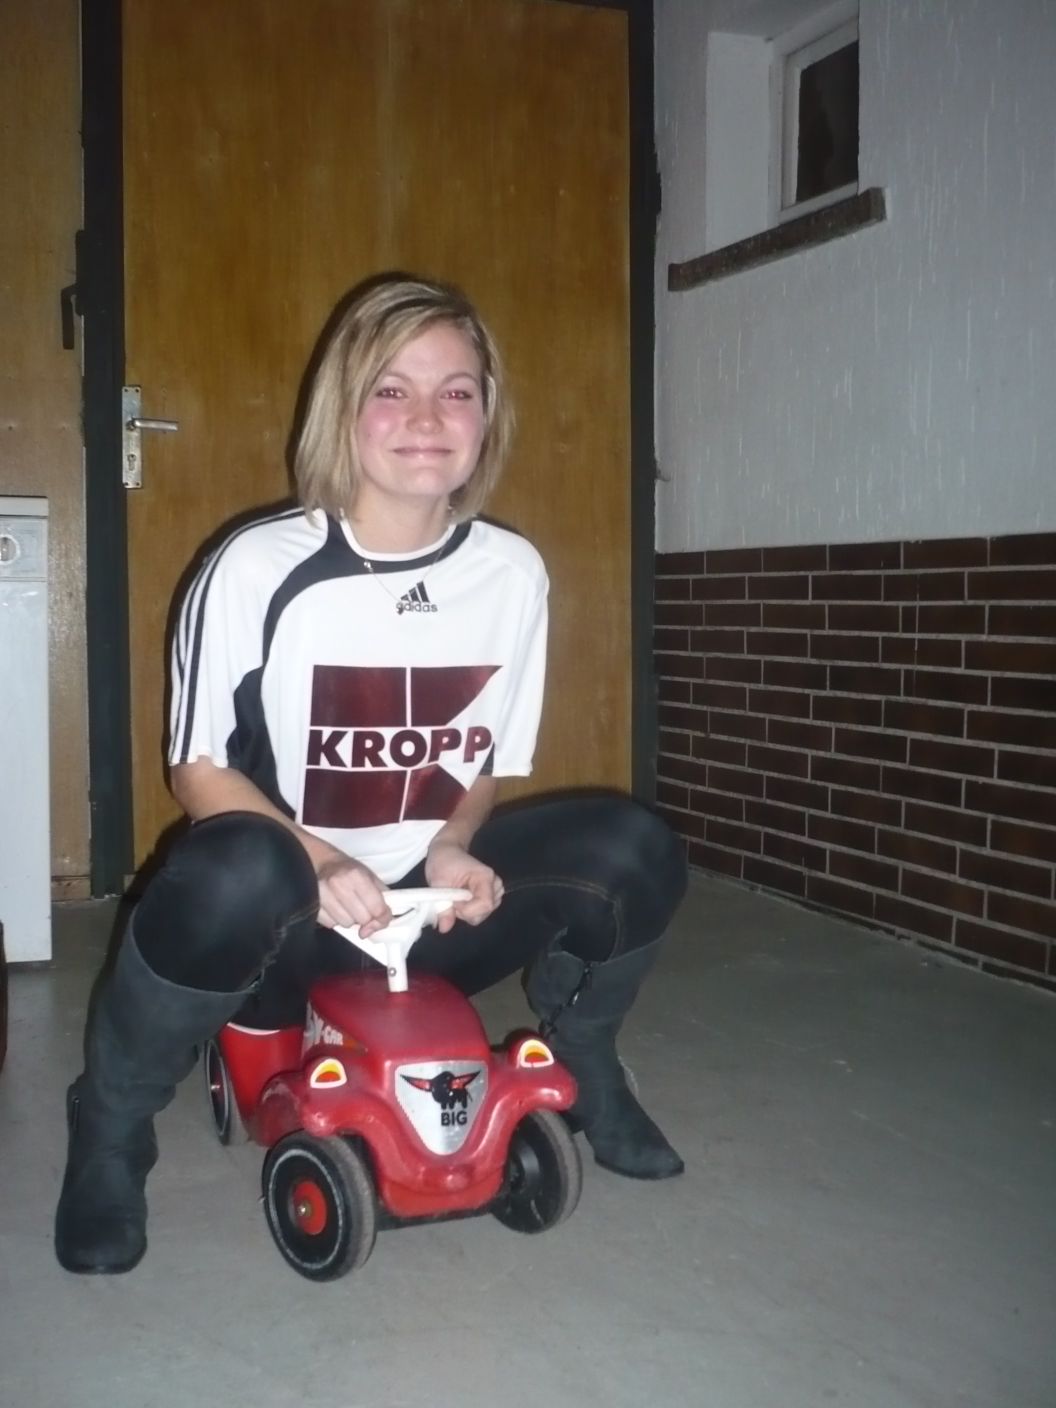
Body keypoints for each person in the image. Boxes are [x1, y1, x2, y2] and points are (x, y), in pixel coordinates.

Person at [55, 273, 688, 1275]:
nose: (428, 418)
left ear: (487, 414)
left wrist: (454, 844)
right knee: (233, 869)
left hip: (425, 919)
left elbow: (482, 762)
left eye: (456, 391)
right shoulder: (258, 568)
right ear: (343, 410)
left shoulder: (512, 574)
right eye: (392, 389)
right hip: (293, 922)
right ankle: (110, 1124)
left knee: (633, 847)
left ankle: (587, 1057)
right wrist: (317, 860)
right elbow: (197, 771)